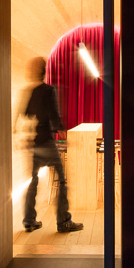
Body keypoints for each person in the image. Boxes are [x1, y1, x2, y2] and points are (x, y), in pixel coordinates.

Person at [21, 57, 83, 233]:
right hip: (47, 142)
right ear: (45, 72)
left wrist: (21, 135)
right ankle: (63, 221)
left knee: (33, 181)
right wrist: (62, 131)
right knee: (62, 180)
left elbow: (25, 114)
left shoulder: (31, 91)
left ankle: (29, 220)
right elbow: (54, 113)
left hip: (34, 143)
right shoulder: (49, 90)